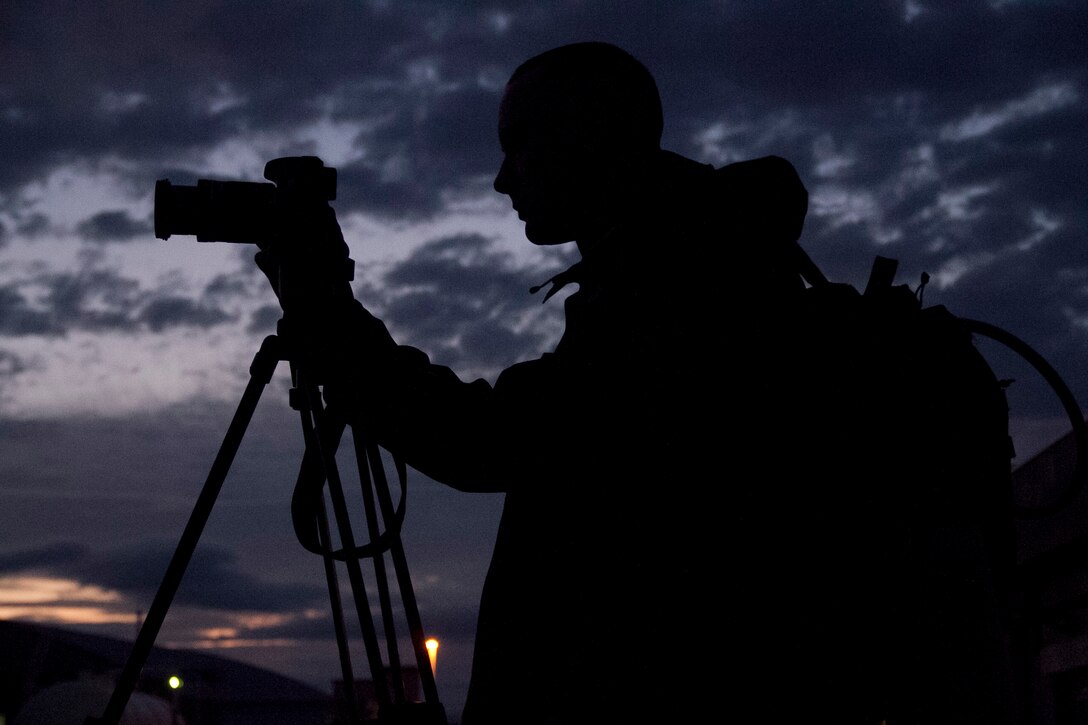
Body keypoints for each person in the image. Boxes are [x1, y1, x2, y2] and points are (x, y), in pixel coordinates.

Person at [262, 42, 1015, 724]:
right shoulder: (697, 270)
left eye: (519, 144)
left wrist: (327, 316)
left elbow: (485, 442)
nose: (500, 180)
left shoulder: (687, 291)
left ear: (588, 135)